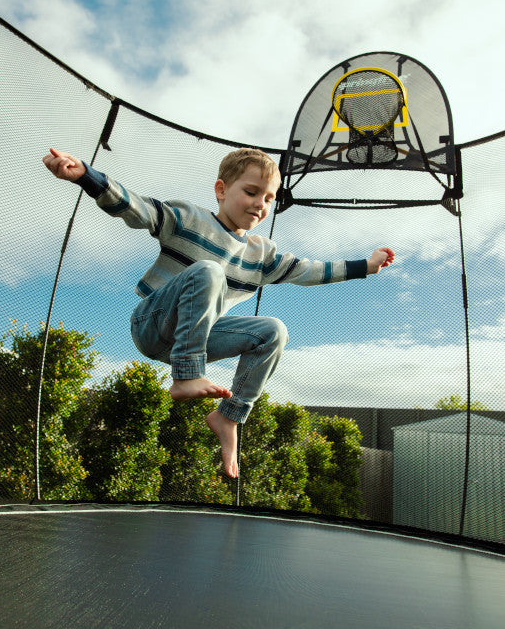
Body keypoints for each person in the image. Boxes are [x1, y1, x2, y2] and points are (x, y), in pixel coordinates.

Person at [43, 146, 394, 478]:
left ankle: (229, 416)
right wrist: (86, 176)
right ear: (221, 190)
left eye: (269, 198)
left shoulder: (262, 255)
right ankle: (187, 375)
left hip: (194, 336)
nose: (261, 204)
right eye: (253, 192)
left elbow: (310, 270)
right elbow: (137, 208)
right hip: (152, 323)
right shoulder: (189, 219)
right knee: (209, 271)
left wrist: (366, 265)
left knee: (274, 331)